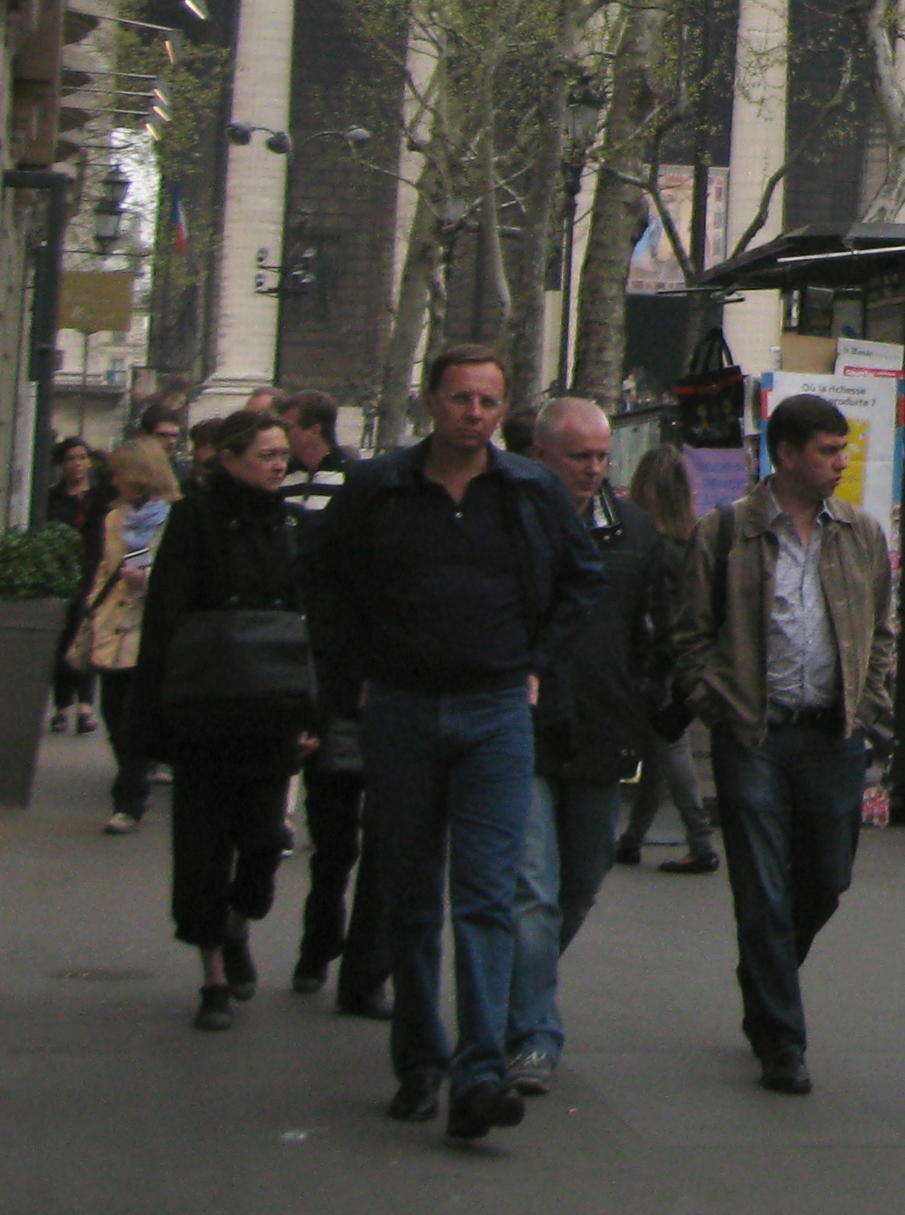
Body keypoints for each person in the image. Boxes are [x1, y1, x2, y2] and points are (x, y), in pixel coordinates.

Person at [304, 345, 601, 1145]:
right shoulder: (379, 488)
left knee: (486, 896)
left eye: (489, 402)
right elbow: (322, 580)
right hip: (400, 708)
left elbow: (583, 580)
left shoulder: (529, 491)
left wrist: (537, 664)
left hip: (497, 709)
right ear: (430, 401)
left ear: (504, 412)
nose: (474, 414)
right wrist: (353, 678)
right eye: (461, 398)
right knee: (408, 895)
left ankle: (477, 1072)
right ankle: (419, 1063)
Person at [674, 390, 894, 1098]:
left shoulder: (860, 532)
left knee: (826, 878)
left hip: (833, 732)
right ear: (788, 455)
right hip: (756, 733)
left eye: (844, 448)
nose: (841, 461)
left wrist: (871, 705)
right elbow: (691, 633)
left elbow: (881, 627)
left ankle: (764, 969)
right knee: (763, 891)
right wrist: (717, 702)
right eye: (828, 450)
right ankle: (781, 1040)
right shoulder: (727, 530)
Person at [504, 395, 676, 1095]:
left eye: (603, 457)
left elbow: (658, 629)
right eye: (580, 456)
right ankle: (532, 1032)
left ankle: (518, 986)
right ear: (541, 454)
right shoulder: (509, 522)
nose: (594, 469)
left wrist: (652, 707)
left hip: (605, 732)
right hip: (522, 733)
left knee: (580, 883)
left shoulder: (633, 531)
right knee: (532, 891)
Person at [135, 410, 321, 1032]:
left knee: (266, 842)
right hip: (208, 709)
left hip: (271, 708)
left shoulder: (292, 525)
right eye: (267, 454)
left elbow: (309, 623)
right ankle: (213, 970)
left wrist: (315, 706)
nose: (279, 464)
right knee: (205, 845)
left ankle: (240, 919)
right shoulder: (194, 519)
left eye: (282, 455)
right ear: (231, 459)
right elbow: (165, 616)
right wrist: (158, 713)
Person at [282, 391, 388, 1017]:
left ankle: (339, 957)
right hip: (345, 706)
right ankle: (327, 948)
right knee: (340, 841)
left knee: (354, 844)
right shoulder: (329, 566)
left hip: (369, 707)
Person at [612, 441, 717, 876]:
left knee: (668, 750)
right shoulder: (688, 544)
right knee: (659, 752)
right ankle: (633, 838)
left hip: (655, 665)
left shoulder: (647, 545)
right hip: (684, 660)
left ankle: (700, 840)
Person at [78, 436, 180, 833]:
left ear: (140, 475)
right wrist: (92, 603)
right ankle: (134, 780)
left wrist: (148, 581)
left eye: (120, 472)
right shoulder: (114, 519)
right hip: (111, 628)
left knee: (136, 719)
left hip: (150, 630)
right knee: (113, 715)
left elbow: (181, 574)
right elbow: (104, 568)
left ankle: (129, 800)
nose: (114, 479)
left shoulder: (175, 517)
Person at [44, 438, 98, 734]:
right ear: (61, 464)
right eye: (71, 458)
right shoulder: (53, 499)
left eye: (82, 457)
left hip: (94, 574)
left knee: (86, 638)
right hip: (62, 575)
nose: (77, 464)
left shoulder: (99, 497)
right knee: (63, 641)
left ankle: (85, 707)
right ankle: (62, 706)